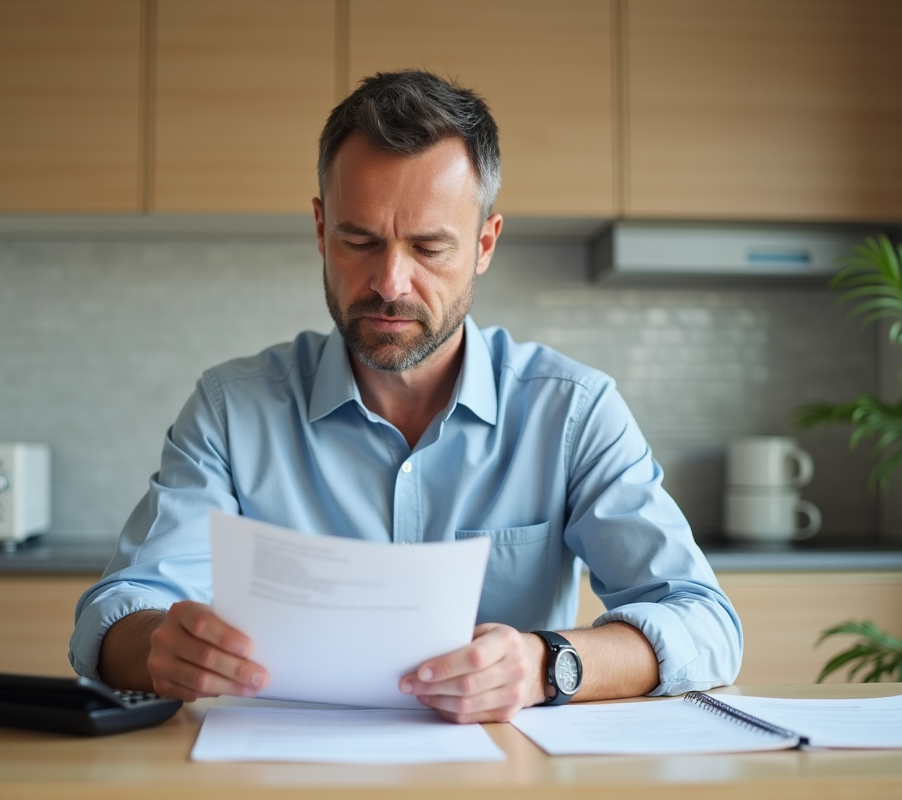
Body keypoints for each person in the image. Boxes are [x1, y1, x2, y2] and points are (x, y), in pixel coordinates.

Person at [70, 70, 742, 724]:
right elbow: (117, 611)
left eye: (429, 248)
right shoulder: (231, 409)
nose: (390, 283)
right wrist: (158, 647)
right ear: (319, 230)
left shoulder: (573, 412)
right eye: (359, 241)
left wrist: (548, 664)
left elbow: (705, 624)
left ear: (484, 244)